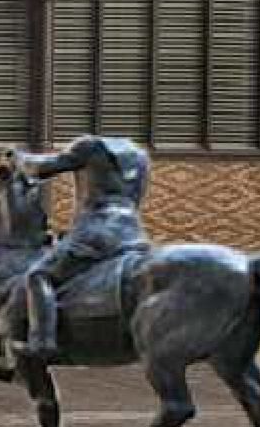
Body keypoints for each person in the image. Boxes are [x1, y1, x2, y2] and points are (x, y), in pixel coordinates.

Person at [8, 134, 152, 362]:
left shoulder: (90, 147)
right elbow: (138, 197)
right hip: (131, 233)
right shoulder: (140, 156)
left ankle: (42, 341)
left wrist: (17, 158)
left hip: (96, 232)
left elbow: (43, 168)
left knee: (38, 275)